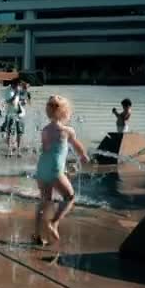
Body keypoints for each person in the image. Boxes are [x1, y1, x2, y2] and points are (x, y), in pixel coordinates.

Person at [34, 95, 89, 245]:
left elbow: (45, 149)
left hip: (42, 167)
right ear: (66, 112)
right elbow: (76, 145)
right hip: (55, 168)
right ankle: (54, 222)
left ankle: (37, 234)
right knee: (69, 197)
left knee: (45, 200)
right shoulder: (67, 130)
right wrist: (83, 155)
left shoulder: (45, 130)